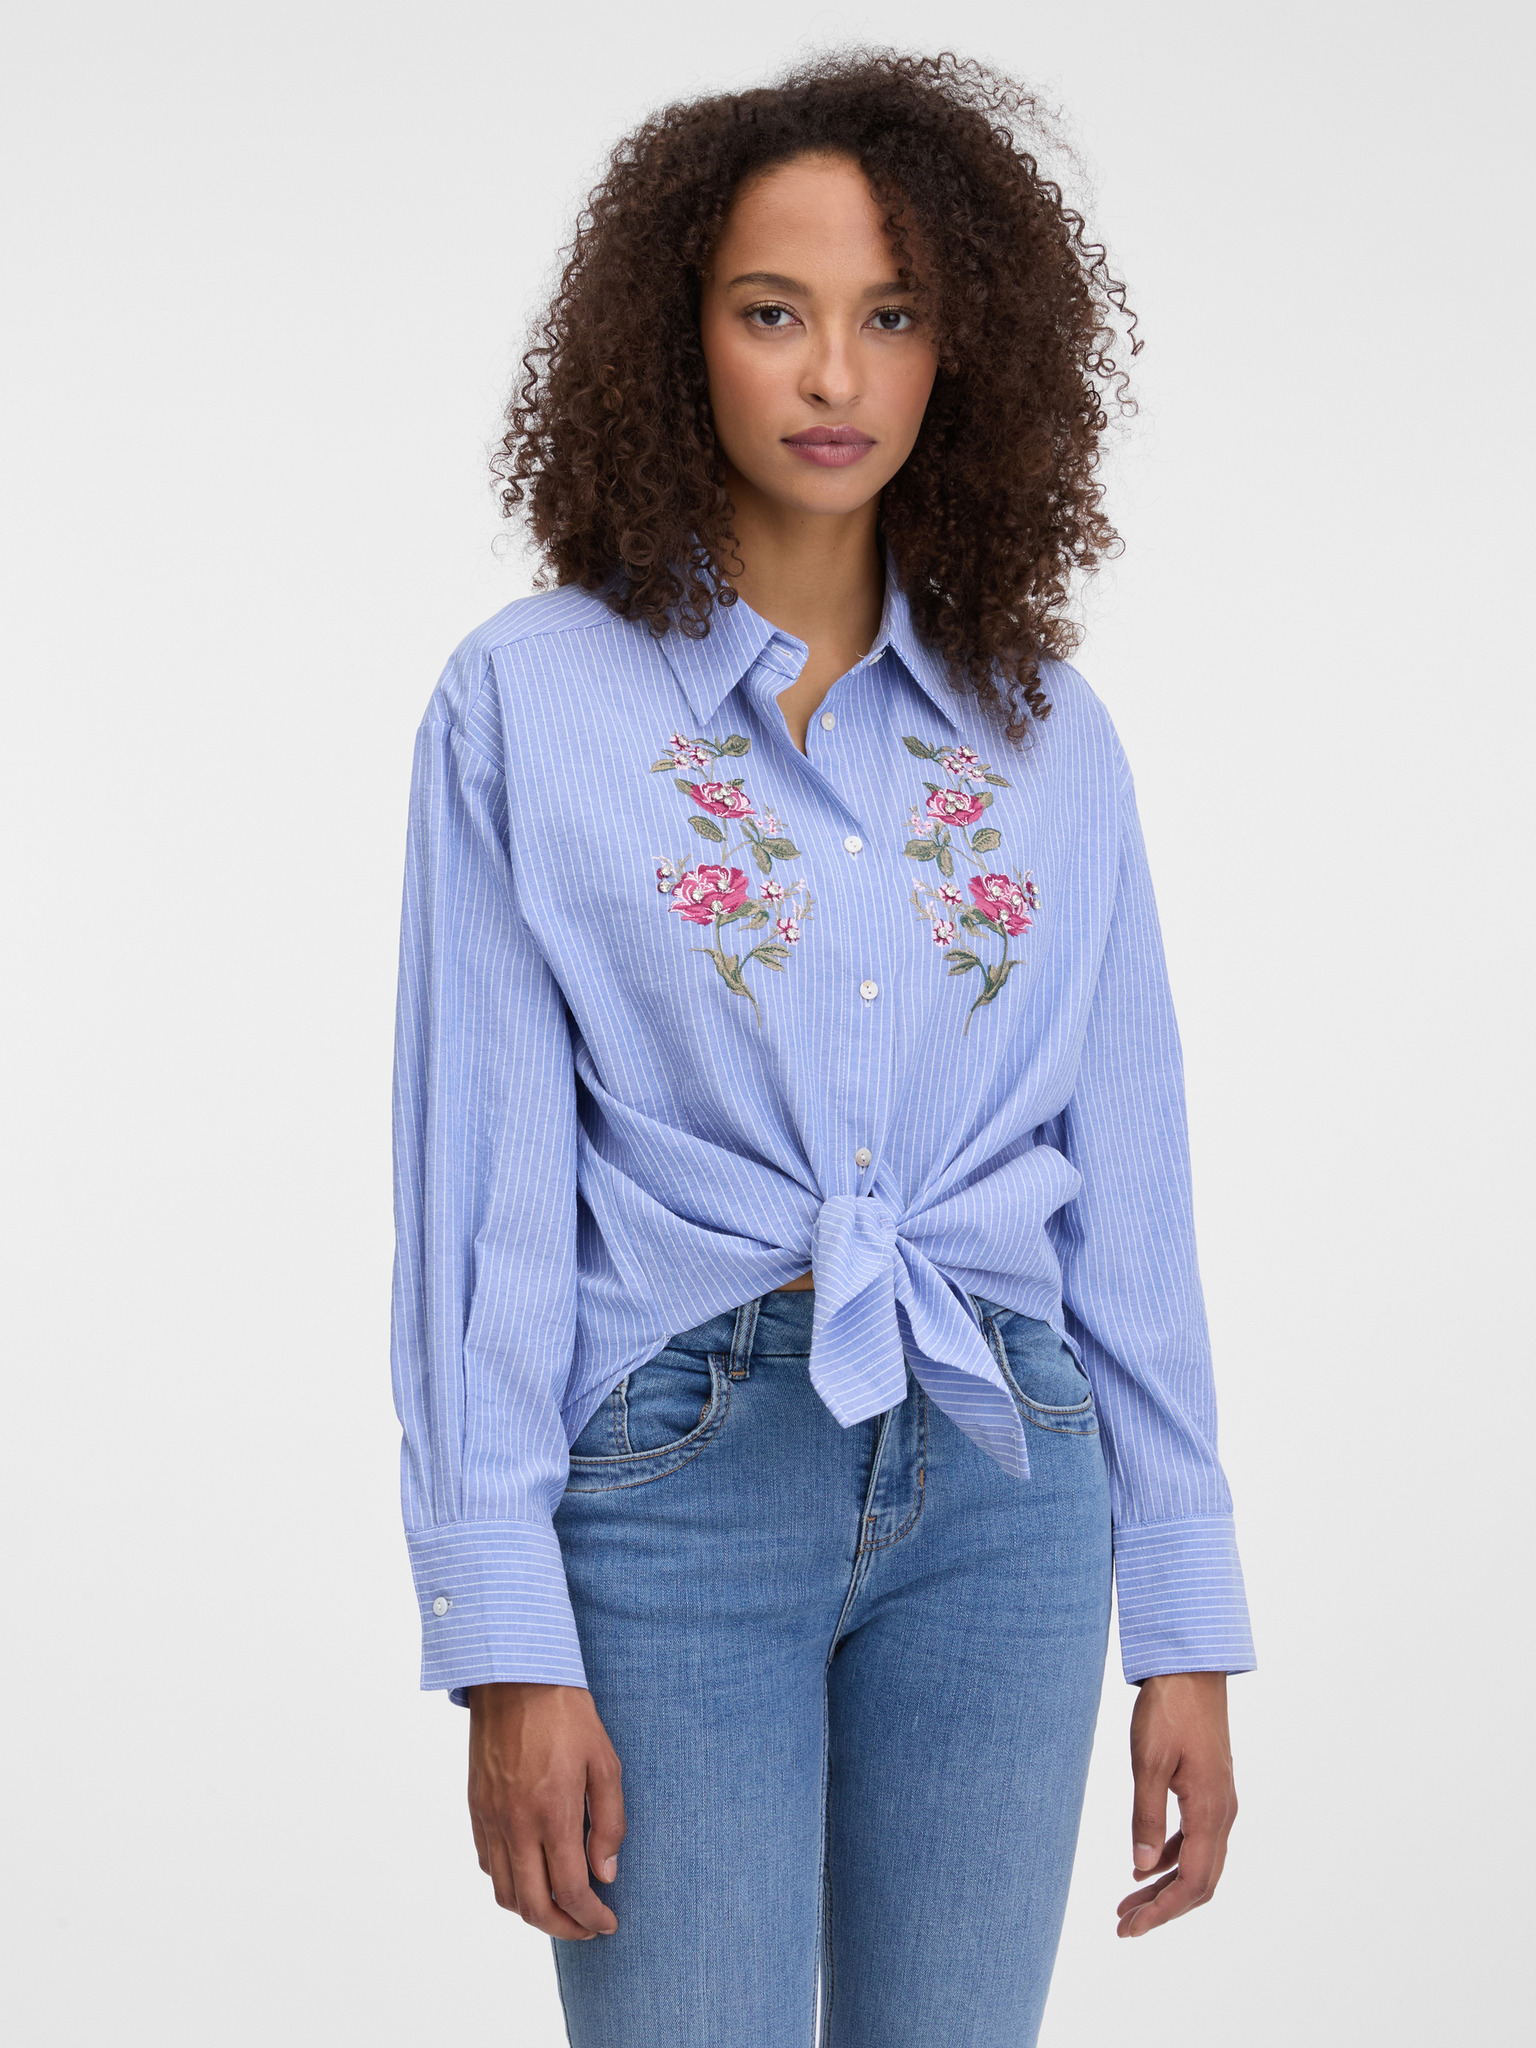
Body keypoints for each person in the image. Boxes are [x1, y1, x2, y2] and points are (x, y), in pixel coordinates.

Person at [390, 50, 1254, 2048]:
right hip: (674, 1479)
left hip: (1008, 1477)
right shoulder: (526, 705)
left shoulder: (1053, 736)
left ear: (972, 352)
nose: (836, 375)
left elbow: (1129, 1196)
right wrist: (503, 1635)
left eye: (894, 315)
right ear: (673, 337)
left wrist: (1188, 1615)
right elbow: (484, 1196)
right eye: (773, 313)